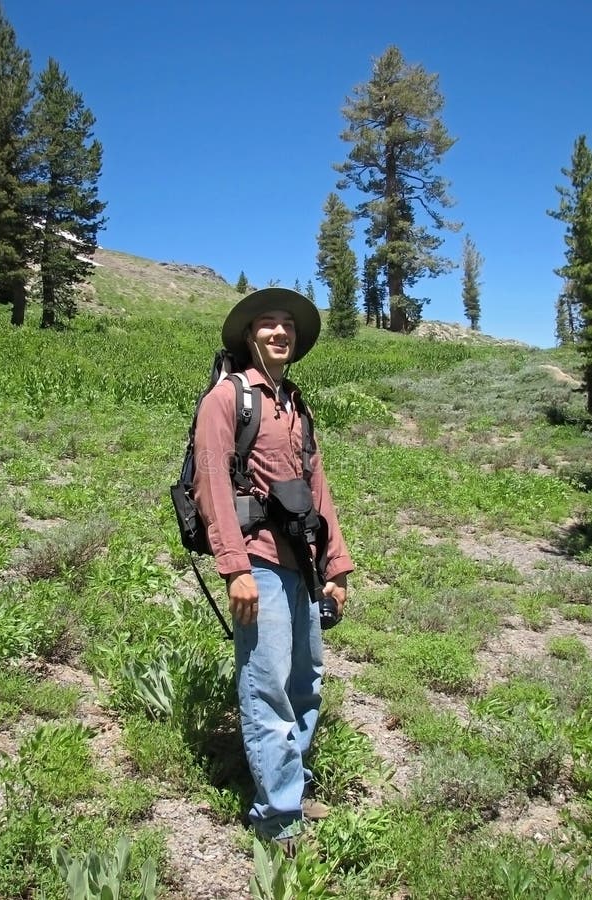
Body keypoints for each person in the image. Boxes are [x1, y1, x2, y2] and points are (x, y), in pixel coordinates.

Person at [193, 287, 354, 854]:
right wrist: (233, 566)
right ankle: (279, 817)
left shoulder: (295, 404)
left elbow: (317, 488)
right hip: (258, 561)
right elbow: (212, 483)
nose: (280, 332)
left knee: (306, 681)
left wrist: (336, 565)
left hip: (304, 563)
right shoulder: (226, 399)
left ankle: (294, 780)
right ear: (249, 335)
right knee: (267, 689)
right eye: (269, 324)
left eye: (288, 324)